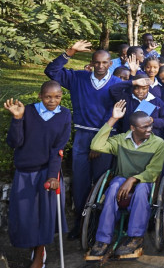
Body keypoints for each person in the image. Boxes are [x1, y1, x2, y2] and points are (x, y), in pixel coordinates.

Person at [44, 40, 123, 239]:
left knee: (100, 183)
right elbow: (51, 72)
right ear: (91, 63)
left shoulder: (117, 85)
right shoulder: (79, 78)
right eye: (97, 62)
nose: (101, 66)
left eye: (105, 63)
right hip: (82, 137)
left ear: (110, 64)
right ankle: (80, 223)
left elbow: (119, 115)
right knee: (80, 183)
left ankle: (96, 225)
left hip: (104, 138)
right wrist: (70, 52)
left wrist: (101, 141)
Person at [86, 102, 164, 259]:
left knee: (142, 190)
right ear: (133, 128)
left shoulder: (158, 143)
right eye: (145, 127)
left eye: (150, 125)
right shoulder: (121, 140)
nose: (150, 129)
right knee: (114, 186)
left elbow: (154, 171)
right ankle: (102, 240)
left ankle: (135, 237)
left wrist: (133, 179)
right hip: (121, 178)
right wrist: (113, 119)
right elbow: (96, 145)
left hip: (145, 180)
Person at [5, 81, 71, 268]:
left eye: (57, 97)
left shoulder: (64, 115)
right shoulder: (28, 112)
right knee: (26, 217)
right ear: (40, 96)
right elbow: (14, 142)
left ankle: (39, 254)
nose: (52, 100)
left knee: (44, 217)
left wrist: (52, 175)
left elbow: (58, 148)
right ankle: (33, 247)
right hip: (25, 172)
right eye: (48, 97)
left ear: (61, 97)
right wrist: (17, 119)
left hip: (47, 173)